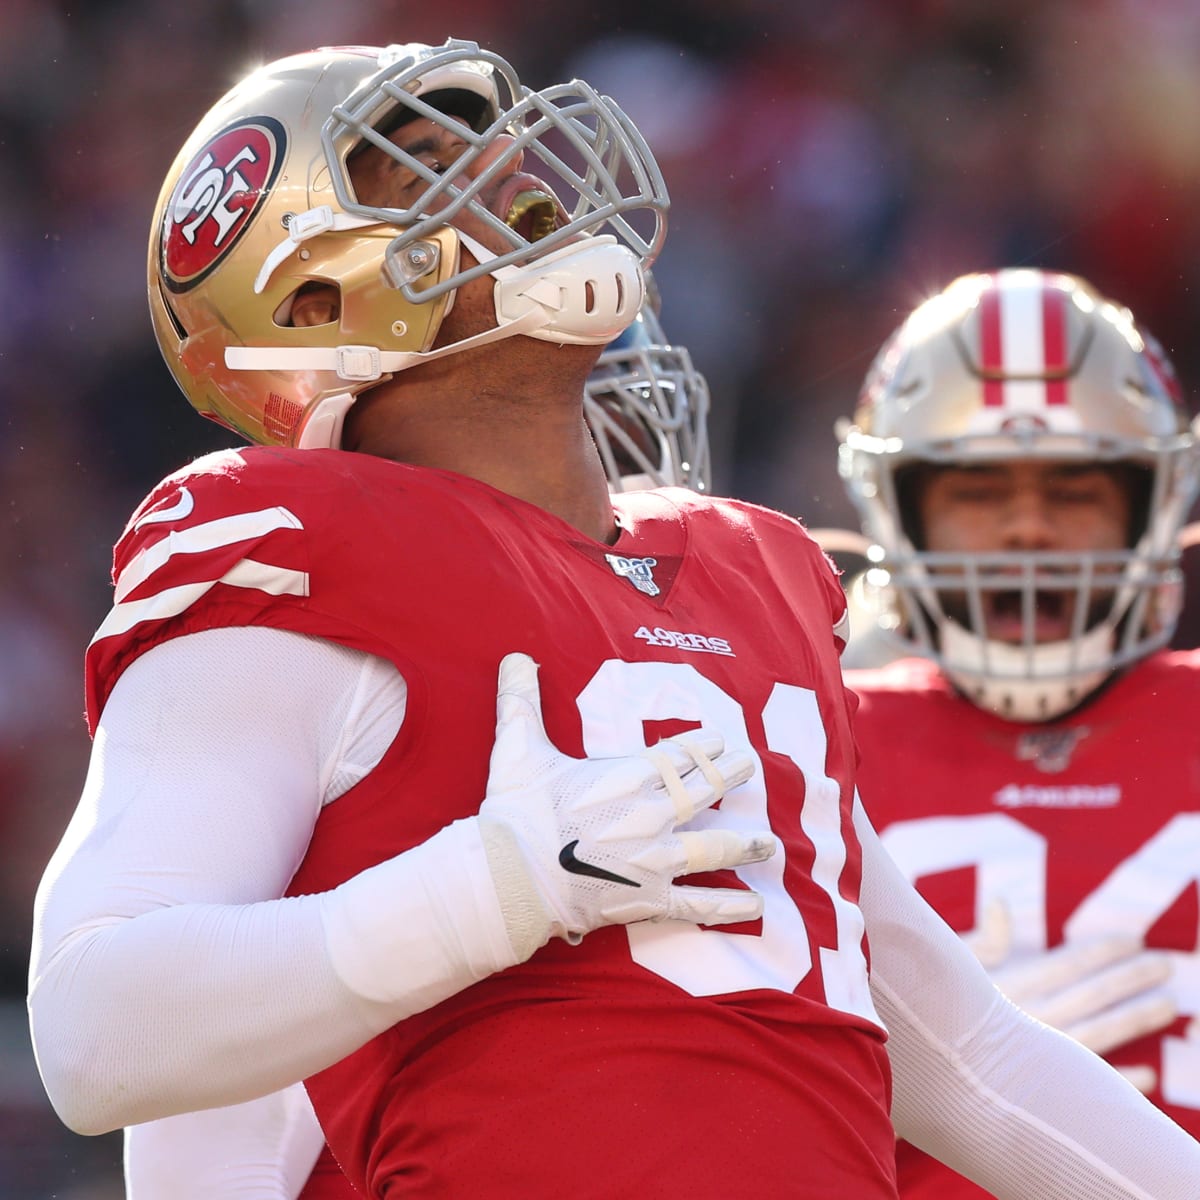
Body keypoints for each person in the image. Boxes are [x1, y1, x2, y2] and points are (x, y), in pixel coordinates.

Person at [26, 40, 1200, 1200]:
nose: (511, 169)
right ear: (318, 297)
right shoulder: (296, 550)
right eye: (426, 161)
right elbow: (92, 1031)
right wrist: (491, 886)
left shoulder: (747, 573)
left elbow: (976, 1064)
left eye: (492, 138)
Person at [122, 300, 712, 1199]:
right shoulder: (332, 680)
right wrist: (488, 889)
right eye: (576, 426)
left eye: (605, 423)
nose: (595, 474)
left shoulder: (735, 655)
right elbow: (191, 1142)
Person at [835, 267, 1200, 1197]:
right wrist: (925, 1077)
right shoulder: (816, 731)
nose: (1028, 530)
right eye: (979, 490)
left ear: (1152, 505)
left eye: (1075, 489)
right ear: (899, 506)